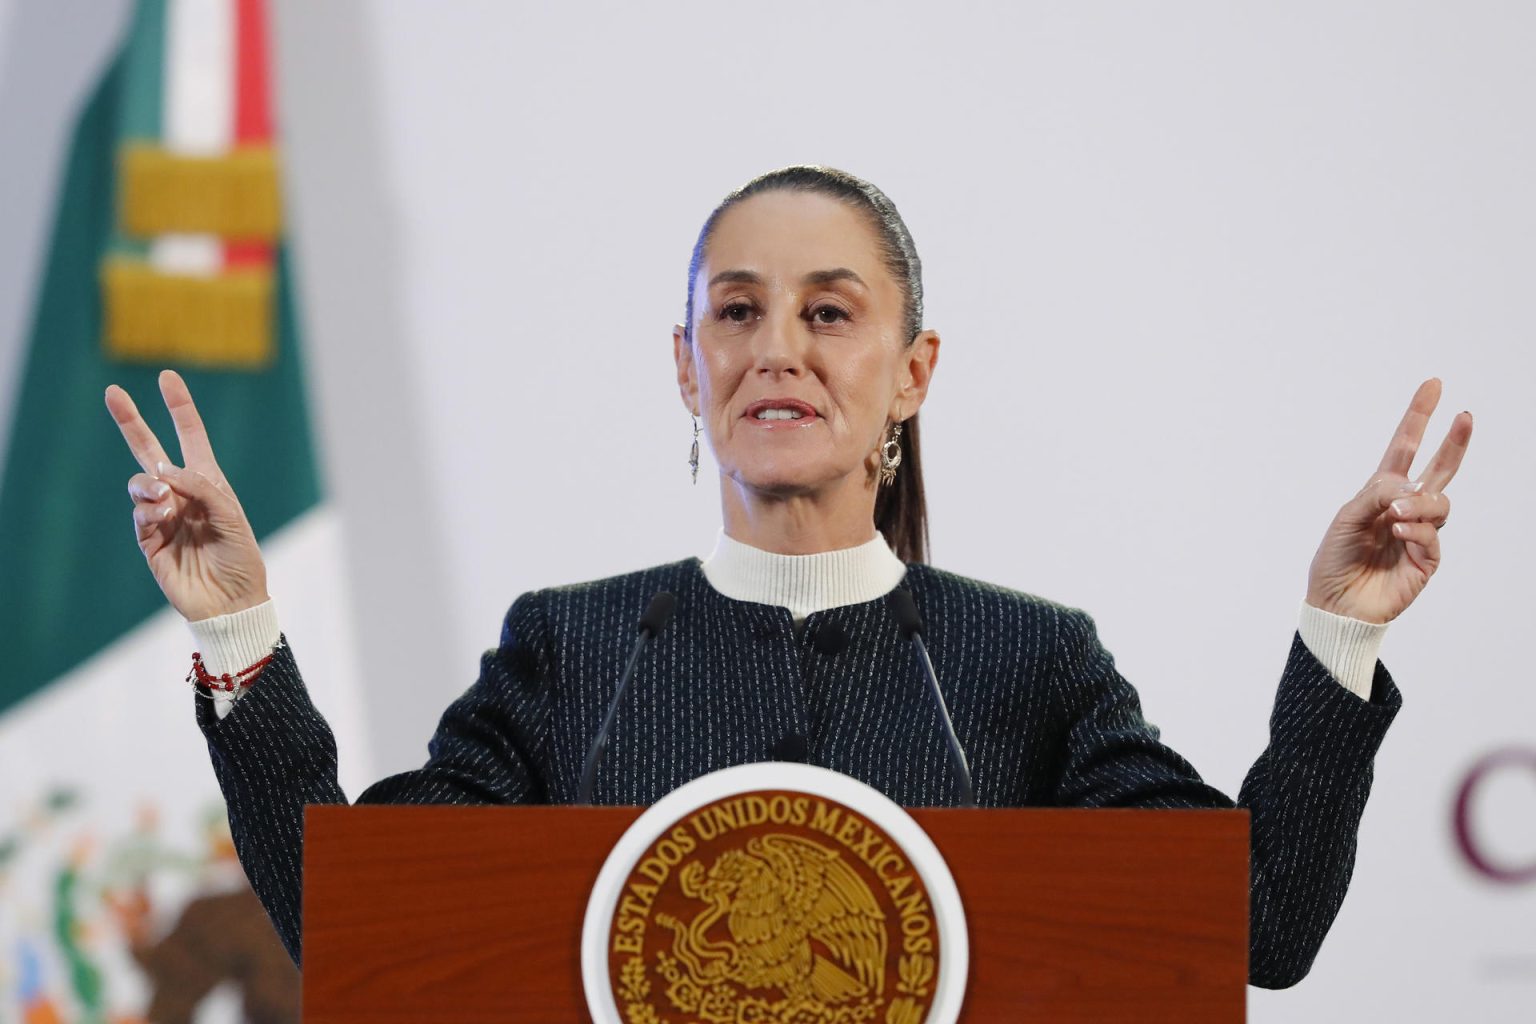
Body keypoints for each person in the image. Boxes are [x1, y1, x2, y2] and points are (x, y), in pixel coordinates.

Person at [105, 165, 1472, 988]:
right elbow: (357, 924)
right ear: (685, 367)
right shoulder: (569, 651)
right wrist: (236, 631)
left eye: (830, 311)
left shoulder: (1027, 665)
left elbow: (1263, 925)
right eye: (737, 310)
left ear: (913, 374)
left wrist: (1337, 642)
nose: (779, 349)